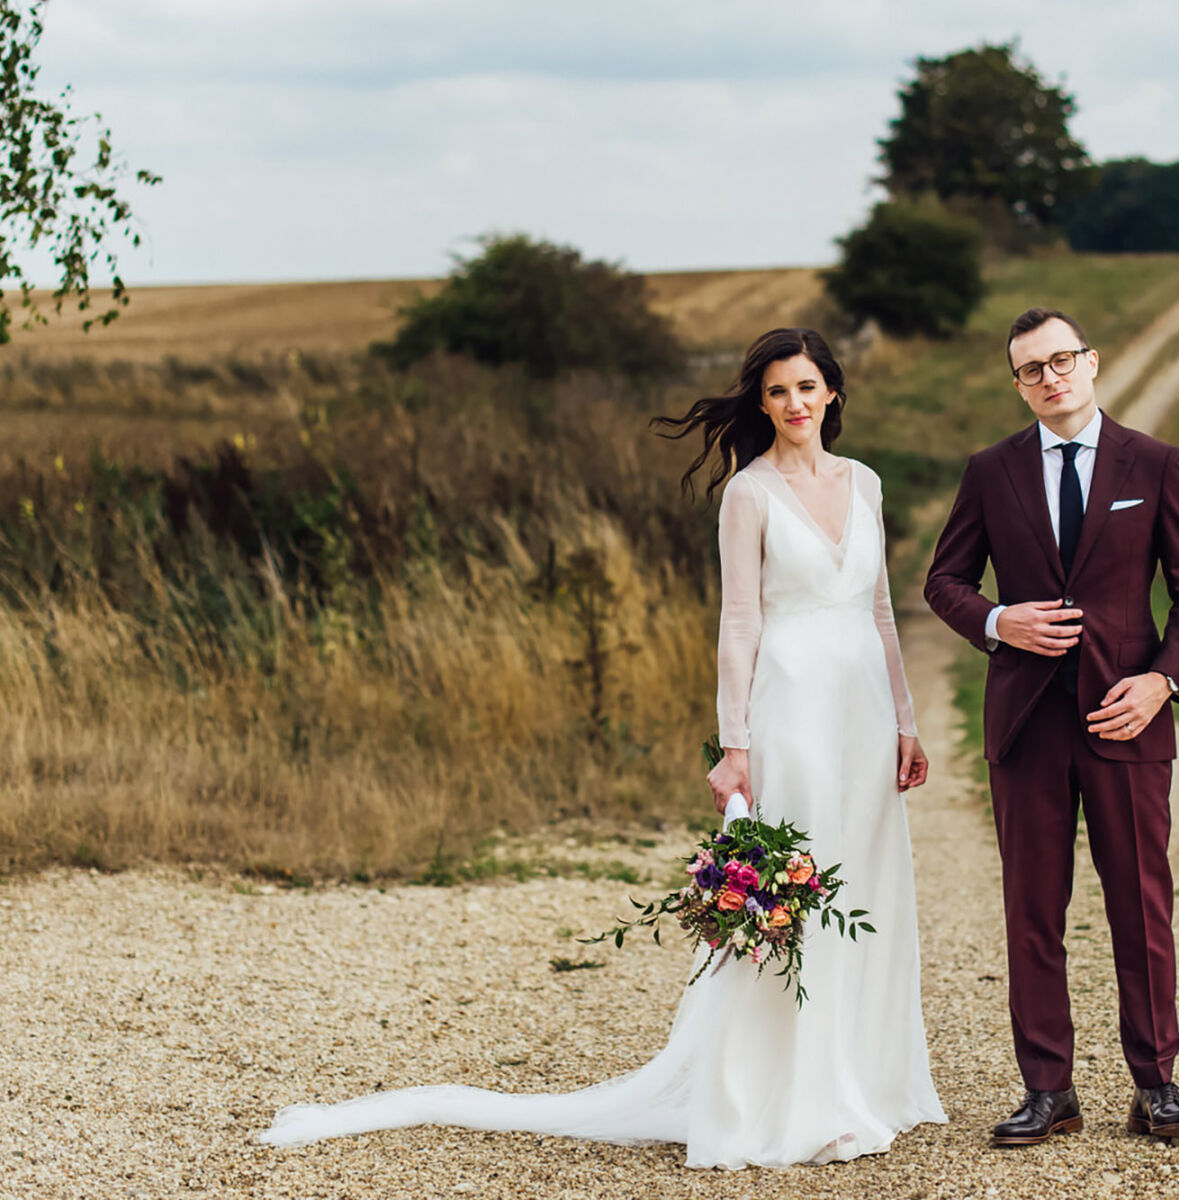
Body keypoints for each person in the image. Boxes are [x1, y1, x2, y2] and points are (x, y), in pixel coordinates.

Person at [259, 328, 946, 1169]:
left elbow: (881, 612)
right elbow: (739, 624)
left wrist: (907, 721)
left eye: (807, 387)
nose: (794, 404)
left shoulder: (865, 483)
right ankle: (794, 1094)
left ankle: (863, 1080)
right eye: (777, 392)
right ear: (761, 403)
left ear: (833, 393)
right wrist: (737, 745)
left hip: (867, 713)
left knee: (865, 883)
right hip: (794, 708)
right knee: (796, 895)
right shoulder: (749, 494)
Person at [924, 307, 1179, 1147]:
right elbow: (944, 581)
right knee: (1032, 911)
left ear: (1092, 363)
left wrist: (1161, 682)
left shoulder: (1154, 463)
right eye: (1031, 369)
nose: (1050, 378)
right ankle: (1048, 1089)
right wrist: (996, 622)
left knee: (1140, 905)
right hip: (1025, 724)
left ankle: (1157, 1084)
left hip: (1126, 721)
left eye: (1062, 360)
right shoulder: (990, 471)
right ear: (1017, 384)